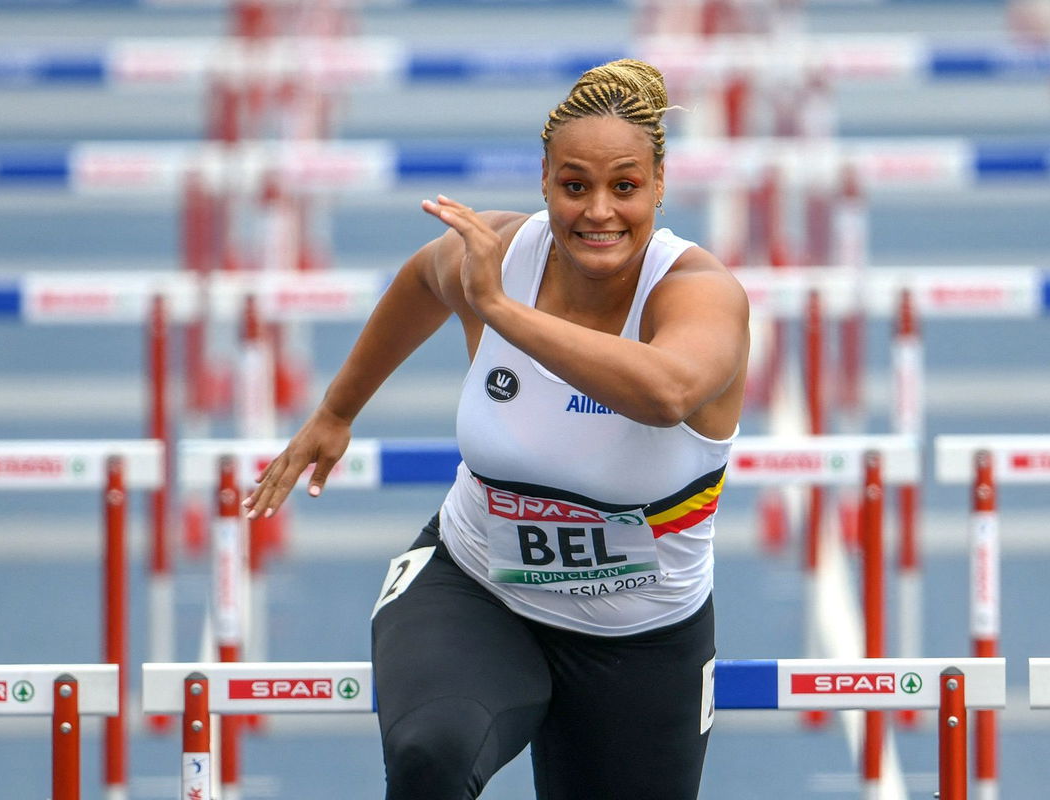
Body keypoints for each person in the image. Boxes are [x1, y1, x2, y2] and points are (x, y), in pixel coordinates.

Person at [244, 58, 750, 800]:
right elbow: (423, 279)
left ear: (661, 185)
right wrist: (336, 411)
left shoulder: (699, 295)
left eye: (625, 187)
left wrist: (504, 313)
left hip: (640, 640)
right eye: (574, 186)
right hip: (479, 592)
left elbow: (665, 392)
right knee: (432, 756)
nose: (599, 212)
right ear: (545, 180)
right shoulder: (501, 256)